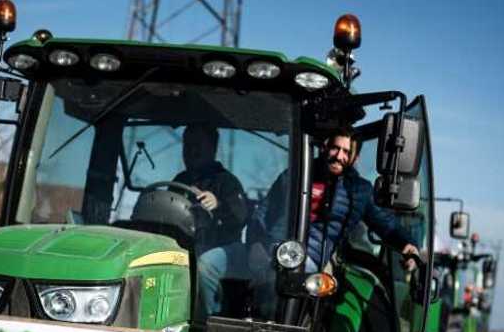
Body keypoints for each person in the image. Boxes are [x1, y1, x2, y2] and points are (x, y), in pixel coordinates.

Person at [256, 128, 421, 273]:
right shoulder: (296, 174)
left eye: (347, 152)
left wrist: (407, 243)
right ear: (325, 147)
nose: (339, 156)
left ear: (355, 158)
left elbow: (387, 225)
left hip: (310, 259)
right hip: (273, 248)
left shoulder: (359, 191)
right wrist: (254, 244)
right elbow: (264, 212)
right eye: (335, 148)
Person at [172, 123, 250, 318]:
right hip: (183, 247)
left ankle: (206, 323)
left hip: (218, 252)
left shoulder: (226, 181)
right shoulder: (179, 180)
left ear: (213, 149)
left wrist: (218, 205)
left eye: (198, 145)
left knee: (204, 264)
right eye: (188, 145)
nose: (192, 150)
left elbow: (241, 217)